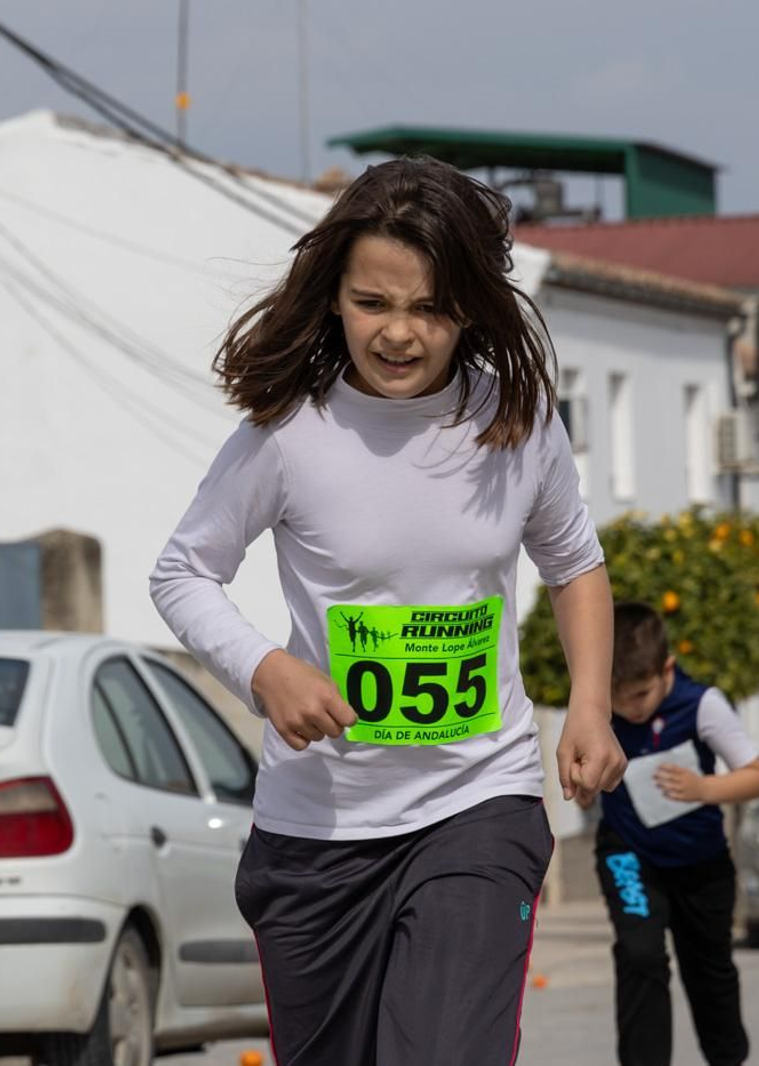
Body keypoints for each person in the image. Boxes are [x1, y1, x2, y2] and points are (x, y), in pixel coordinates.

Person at [150, 156, 626, 1066]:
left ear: (471, 308)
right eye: (374, 304)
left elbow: (575, 563)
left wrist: (592, 707)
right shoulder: (288, 432)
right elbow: (182, 573)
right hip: (320, 830)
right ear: (334, 296)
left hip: (477, 801)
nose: (400, 334)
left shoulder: (516, 420)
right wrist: (264, 668)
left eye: (431, 308)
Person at [588, 602, 759, 1066]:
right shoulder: (597, 706)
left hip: (701, 861)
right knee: (640, 955)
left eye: (640, 694)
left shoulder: (701, 704)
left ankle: (728, 1058)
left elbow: (756, 776)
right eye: (617, 695)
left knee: (709, 972)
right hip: (629, 853)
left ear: (665, 669)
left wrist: (705, 788)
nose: (627, 708)